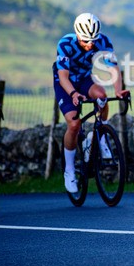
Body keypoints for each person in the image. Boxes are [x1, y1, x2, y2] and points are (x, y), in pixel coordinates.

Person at [54, 13, 128, 193]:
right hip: (65, 83)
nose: (90, 44)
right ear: (78, 34)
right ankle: (69, 170)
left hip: (85, 79)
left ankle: (99, 137)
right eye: (86, 40)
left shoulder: (103, 41)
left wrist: (118, 90)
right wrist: (73, 93)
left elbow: (113, 68)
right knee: (74, 124)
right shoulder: (66, 43)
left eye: (93, 40)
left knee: (102, 96)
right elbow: (63, 76)